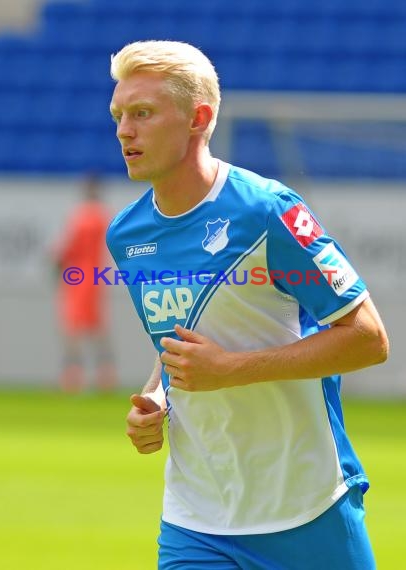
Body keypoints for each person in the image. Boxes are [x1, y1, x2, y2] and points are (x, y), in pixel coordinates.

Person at [106, 40, 389, 569]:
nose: (124, 130)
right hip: (196, 518)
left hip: (308, 508)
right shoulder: (127, 234)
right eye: (119, 114)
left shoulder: (268, 212)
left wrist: (230, 370)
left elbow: (368, 338)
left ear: (199, 118)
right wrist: (156, 400)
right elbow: (182, 336)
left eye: (142, 113)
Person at [52, 174, 117, 392]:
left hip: (76, 277)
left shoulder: (80, 217)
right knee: (97, 327)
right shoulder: (103, 217)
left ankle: (72, 376)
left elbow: (67, 248)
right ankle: (106, 373)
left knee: (73, 329)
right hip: (96, 277)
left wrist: (56, 261)